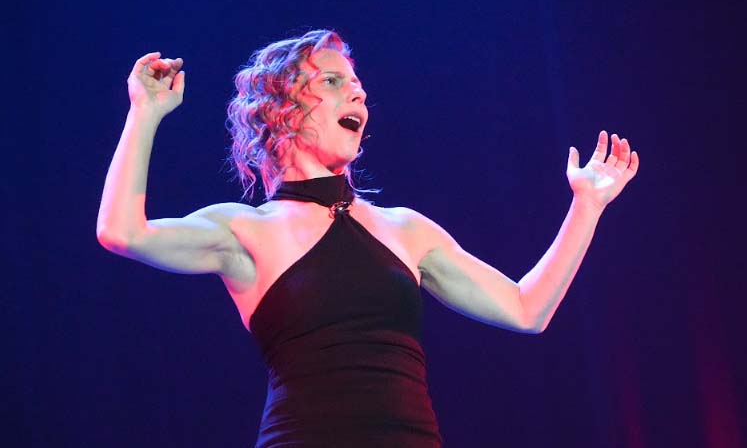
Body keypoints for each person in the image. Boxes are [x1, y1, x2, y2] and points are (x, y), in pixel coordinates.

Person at [97, 29, 639, 447]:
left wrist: (587, 206)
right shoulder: (245, 230)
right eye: (332, 82)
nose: (357, 92)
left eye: (356, 85)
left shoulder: (404, 228)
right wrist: (145, 113)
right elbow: (122, 232)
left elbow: (526, 309)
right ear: (281, 110)